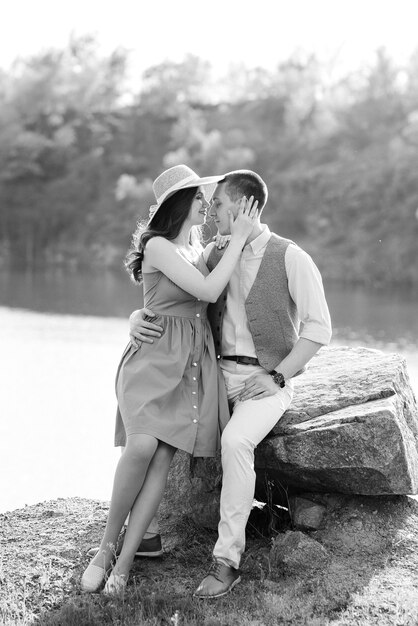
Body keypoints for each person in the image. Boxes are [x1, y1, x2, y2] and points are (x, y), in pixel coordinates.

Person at [130, 169, 332, 598]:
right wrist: (136, 318)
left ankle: (226, 562)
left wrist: (278, 374)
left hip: (266, 380)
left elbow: (319, 329)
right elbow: (171, 297)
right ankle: (142, 531)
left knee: (236, 442)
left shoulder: (291, 256)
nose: (210, 211)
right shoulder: (216, 252)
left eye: (218, 204)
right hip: (215, 374)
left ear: (244, 206)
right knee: (160, 429)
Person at [80, 164, 259, 594]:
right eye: (200, 197)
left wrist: (235, 238)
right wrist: (135, 317)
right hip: (152, 360)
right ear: (181, 202)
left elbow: (216, 289)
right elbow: (209, 290)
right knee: (141, 444)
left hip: (189, 368)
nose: (207, 204)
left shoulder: (199, 246)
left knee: (163, 457)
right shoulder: (159, 246)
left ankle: (124, 566)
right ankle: (106, 548)